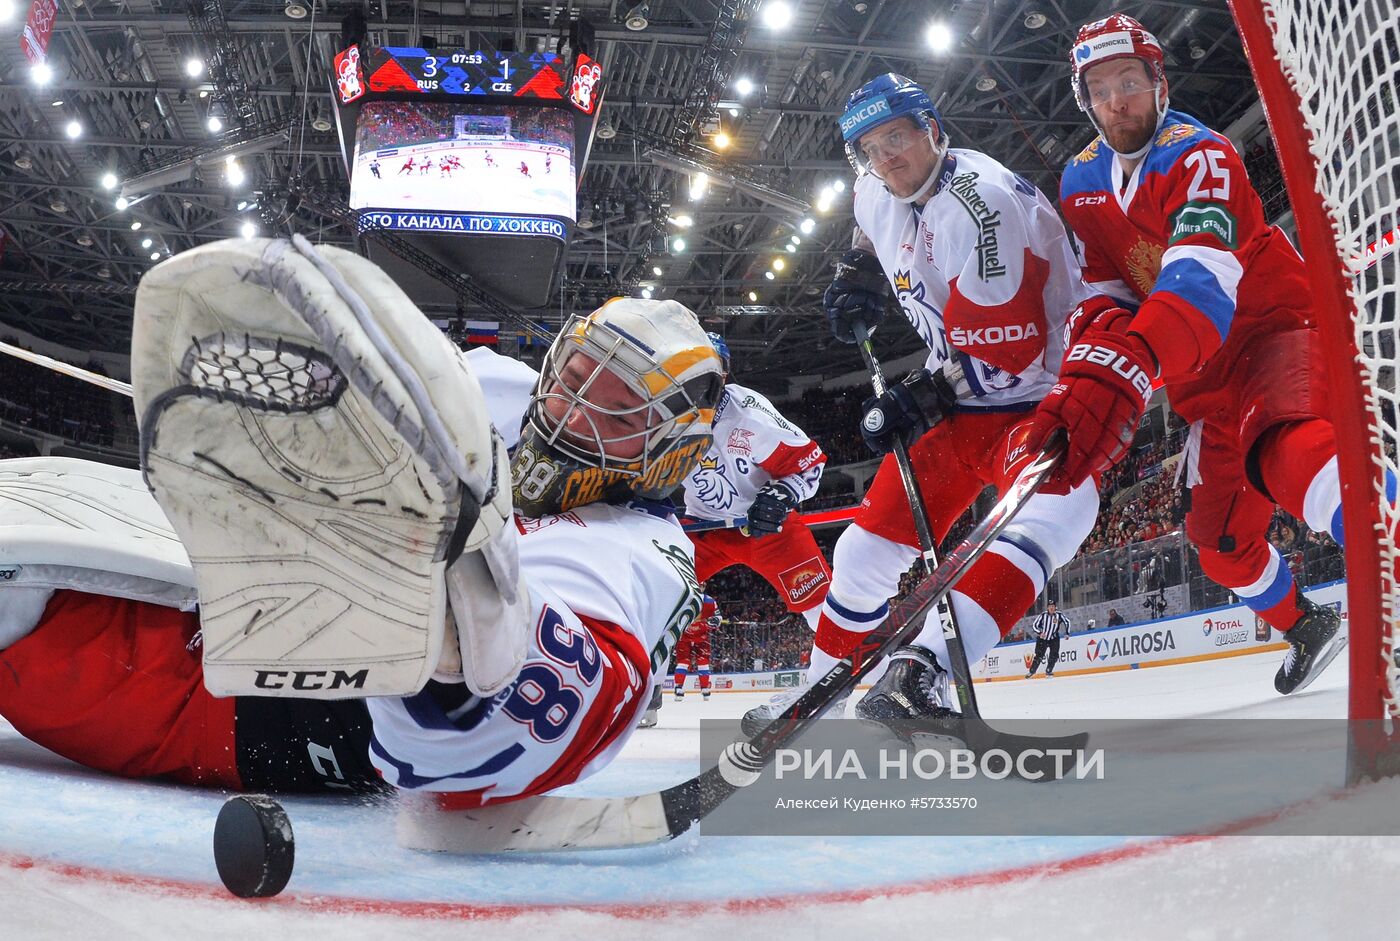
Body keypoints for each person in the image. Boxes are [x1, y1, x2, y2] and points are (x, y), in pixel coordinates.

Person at [0, 241, 725, 810]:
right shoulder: (501, 390)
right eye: (574, 373)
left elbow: (536, 723)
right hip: (259, 575)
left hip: (296, 713)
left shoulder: (642, 552)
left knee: (34, 651)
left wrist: (459, 633)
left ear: (672, 451)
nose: (571, 408)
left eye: (618, 407)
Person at [744, 73, 1105, 739]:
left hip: (1036, 398)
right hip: (964, 403)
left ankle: (922, 672)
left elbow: (1012, 352)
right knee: (859, 557)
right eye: (869, 149)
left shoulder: (980, 210)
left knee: (1064, 507)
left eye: (898, 139)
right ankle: (812, 700)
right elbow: (868, 225)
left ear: (933, 130)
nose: (886, 159)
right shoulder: (875, 185)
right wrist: (854, 273)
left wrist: (926, 394)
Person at [1043, 13, 1350, 694]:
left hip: (1272, 328)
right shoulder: (1080, 181)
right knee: (1219, 542)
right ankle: (1306, 623)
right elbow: (1103, 291)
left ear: (1159, 82)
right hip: (1202, 377)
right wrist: (1086, 376)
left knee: (1285, 448)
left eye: (1130, 80)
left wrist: (1132, 363)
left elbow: (1200, 282)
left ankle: (1383, 542)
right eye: (1101, 89)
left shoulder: (1198, 153)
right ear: (1085, 100)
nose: (1118, 99)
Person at [681, 332, 832, 634]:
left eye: (706, 368)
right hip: (701, 528)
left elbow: (809, 463)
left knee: (823, 608)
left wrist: (782, 495)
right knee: (653, 596)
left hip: (764, 528)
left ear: (723, 373)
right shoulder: (660, 415)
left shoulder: (750, 417)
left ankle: (863, 667)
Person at [673, 595, 719, 700]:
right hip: (684, 636)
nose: (700, 587)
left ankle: (704, 688)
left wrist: (715, 621)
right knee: (683, 661)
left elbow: (718, 616)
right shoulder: (684, 597)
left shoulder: (709, 601)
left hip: (701, 636)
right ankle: (678, 687)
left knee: (703, 662)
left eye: (702, 585)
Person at [1025, 601, 1070, 678]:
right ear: (1047, 608)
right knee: (1039, 655)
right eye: (1050, 606)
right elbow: (1034, 625)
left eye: (1053, 606)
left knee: (1054, 655)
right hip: (1043, 639)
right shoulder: (1043, 615)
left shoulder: (1059, 615)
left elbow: (1067, 622)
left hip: (1054, 638)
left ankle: (1049, 671)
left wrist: (1067, 633)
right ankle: (1032, 672)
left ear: (1055, 607)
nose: (1051, 608)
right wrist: (1040, 633)